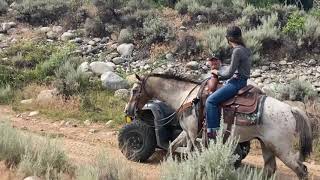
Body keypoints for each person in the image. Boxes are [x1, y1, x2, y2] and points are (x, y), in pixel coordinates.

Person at [205, 25, 252, 139]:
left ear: (229, 38)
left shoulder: (237, 51)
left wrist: (217, 72)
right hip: (242, 81)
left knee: (210, 101)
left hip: (236, 83)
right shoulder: (245, 49)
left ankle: (213, 135)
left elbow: (229, 74)